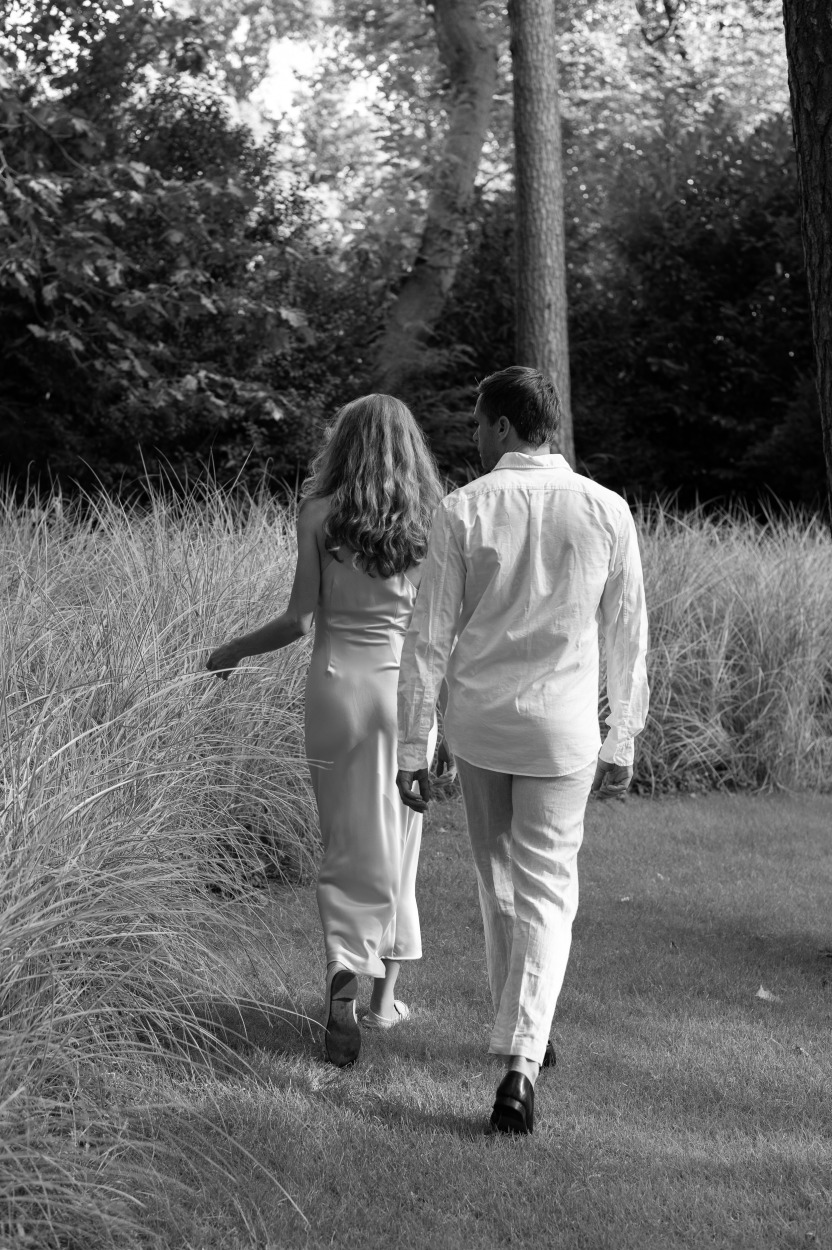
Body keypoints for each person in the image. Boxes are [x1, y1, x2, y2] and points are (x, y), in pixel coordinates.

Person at [395, 366, 649, 1135]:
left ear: (504, 425)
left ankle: (525, 1043)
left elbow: (427, 638)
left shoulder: (463, 509)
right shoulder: (606, 509)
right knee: (545, 887)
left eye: (478, 423)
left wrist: (413, 746)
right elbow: (627, 635)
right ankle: (524, 1055)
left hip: (481, 725)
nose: (473, 436)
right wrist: (623, 735)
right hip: (561, 729)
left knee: (500, 882)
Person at [207, 394, 446, 1068]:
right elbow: (437, 632)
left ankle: (345, 967)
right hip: (404, 694)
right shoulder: (433, 520)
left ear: (344, 443)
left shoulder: (318, 514)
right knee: (400, 840)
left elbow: (297, 621)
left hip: (337, 689)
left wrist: (231, 650)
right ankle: (383, 1002)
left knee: (346, 840)